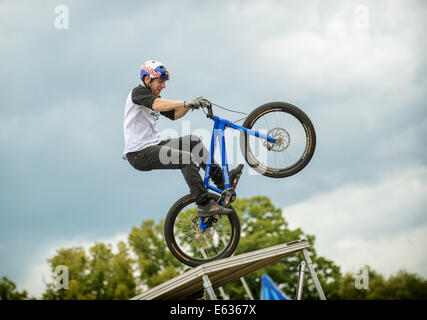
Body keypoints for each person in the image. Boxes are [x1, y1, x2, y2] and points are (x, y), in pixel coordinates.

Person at [122, 60, 241, 217]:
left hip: (152, 145)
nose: (163, 85)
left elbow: (174, 114)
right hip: (139, 153)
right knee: (185, 159)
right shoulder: (138, 93)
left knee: (193, 141)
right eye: (160, 81)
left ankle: (221, 182)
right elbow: (157, 105)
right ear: (147, 79)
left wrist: (189, 106)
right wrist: (185, 102)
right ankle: (204, 203)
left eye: (165, 82)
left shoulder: (153, 96)